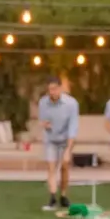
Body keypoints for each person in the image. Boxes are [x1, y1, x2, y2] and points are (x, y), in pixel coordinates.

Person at [37, 76, 80, 210]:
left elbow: (73, 127)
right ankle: (52, 197)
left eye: (55, 89)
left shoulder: (72, 104)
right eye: (50, 89)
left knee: (65, 167)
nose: (52, 92)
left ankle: (63, 196)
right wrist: (44, 124)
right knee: (51, 168)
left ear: (60, 88)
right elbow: (43, 120)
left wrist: (68, 150)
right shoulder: (43, 103)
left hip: (65, 140)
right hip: (51, 140)